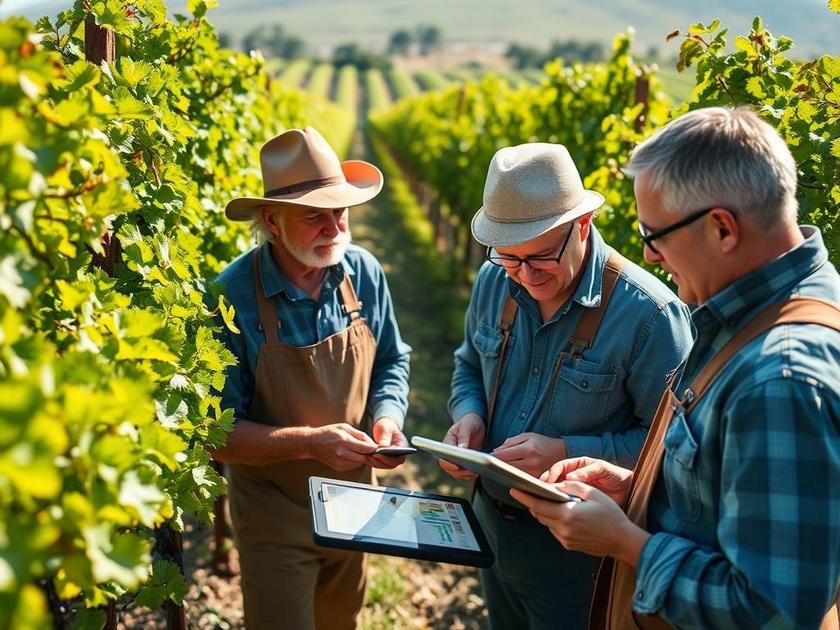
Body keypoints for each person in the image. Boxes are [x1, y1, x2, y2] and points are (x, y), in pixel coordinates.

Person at [511, 107, 840, 629]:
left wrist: (627, 542)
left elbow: (774, 610)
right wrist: (637, 487)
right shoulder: (750, 313)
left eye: (654, 233)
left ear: (721, 229)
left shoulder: (780, 379)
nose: (649, 255)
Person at [440, 142, 694, 629]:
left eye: (539, 258)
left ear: (582, 225)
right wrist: (468, 415)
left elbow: (675, 451)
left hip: (580, 559)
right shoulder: (496, 282)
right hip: (492, 530)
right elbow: (469, 363)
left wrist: (563, 451)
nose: (525, 275)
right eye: (509, 258)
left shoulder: (649, 316)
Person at [210, 127, 412, 630]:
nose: (334, 227)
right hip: (274, 511)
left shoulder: (362, 272)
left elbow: (391, 360)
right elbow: (216, 435)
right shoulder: (230, 297)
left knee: (342, 619)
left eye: (340, 211)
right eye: (313, 216)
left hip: (353, 497)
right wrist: (309, 443)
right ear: (272, 222)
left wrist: (387, 419)